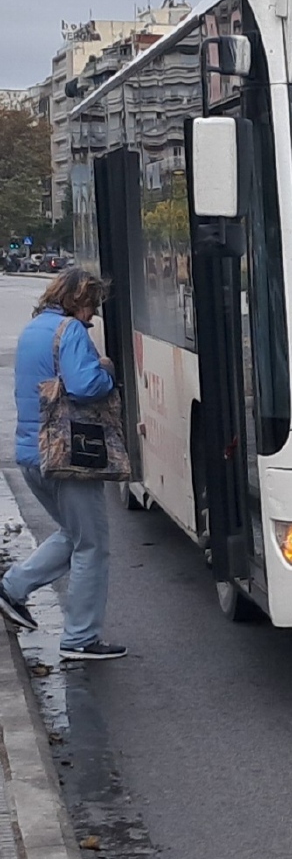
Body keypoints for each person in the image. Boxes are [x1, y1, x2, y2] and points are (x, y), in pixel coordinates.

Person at [1, 268, 127, 660]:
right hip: (68, 456)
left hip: (32, 455)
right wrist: (106, 370)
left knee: (73, 534)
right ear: (76, 300)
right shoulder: (70, 331)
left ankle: (12, 588)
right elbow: (84, 385)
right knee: (92, 544)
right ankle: (80, 638)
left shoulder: (33, 329)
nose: (92, 314)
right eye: (91, 304)